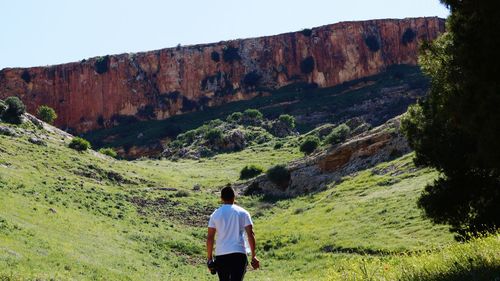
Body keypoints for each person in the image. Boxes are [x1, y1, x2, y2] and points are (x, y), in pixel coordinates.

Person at [206, 186, 260, 281]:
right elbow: (250, 234)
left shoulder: (215, 215)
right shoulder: (243, 212)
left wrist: (209, 259)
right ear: (234, 197)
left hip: (221, 255)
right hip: (239, 254)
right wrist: (253, 255)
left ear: (221, 198)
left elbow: (210, 238)